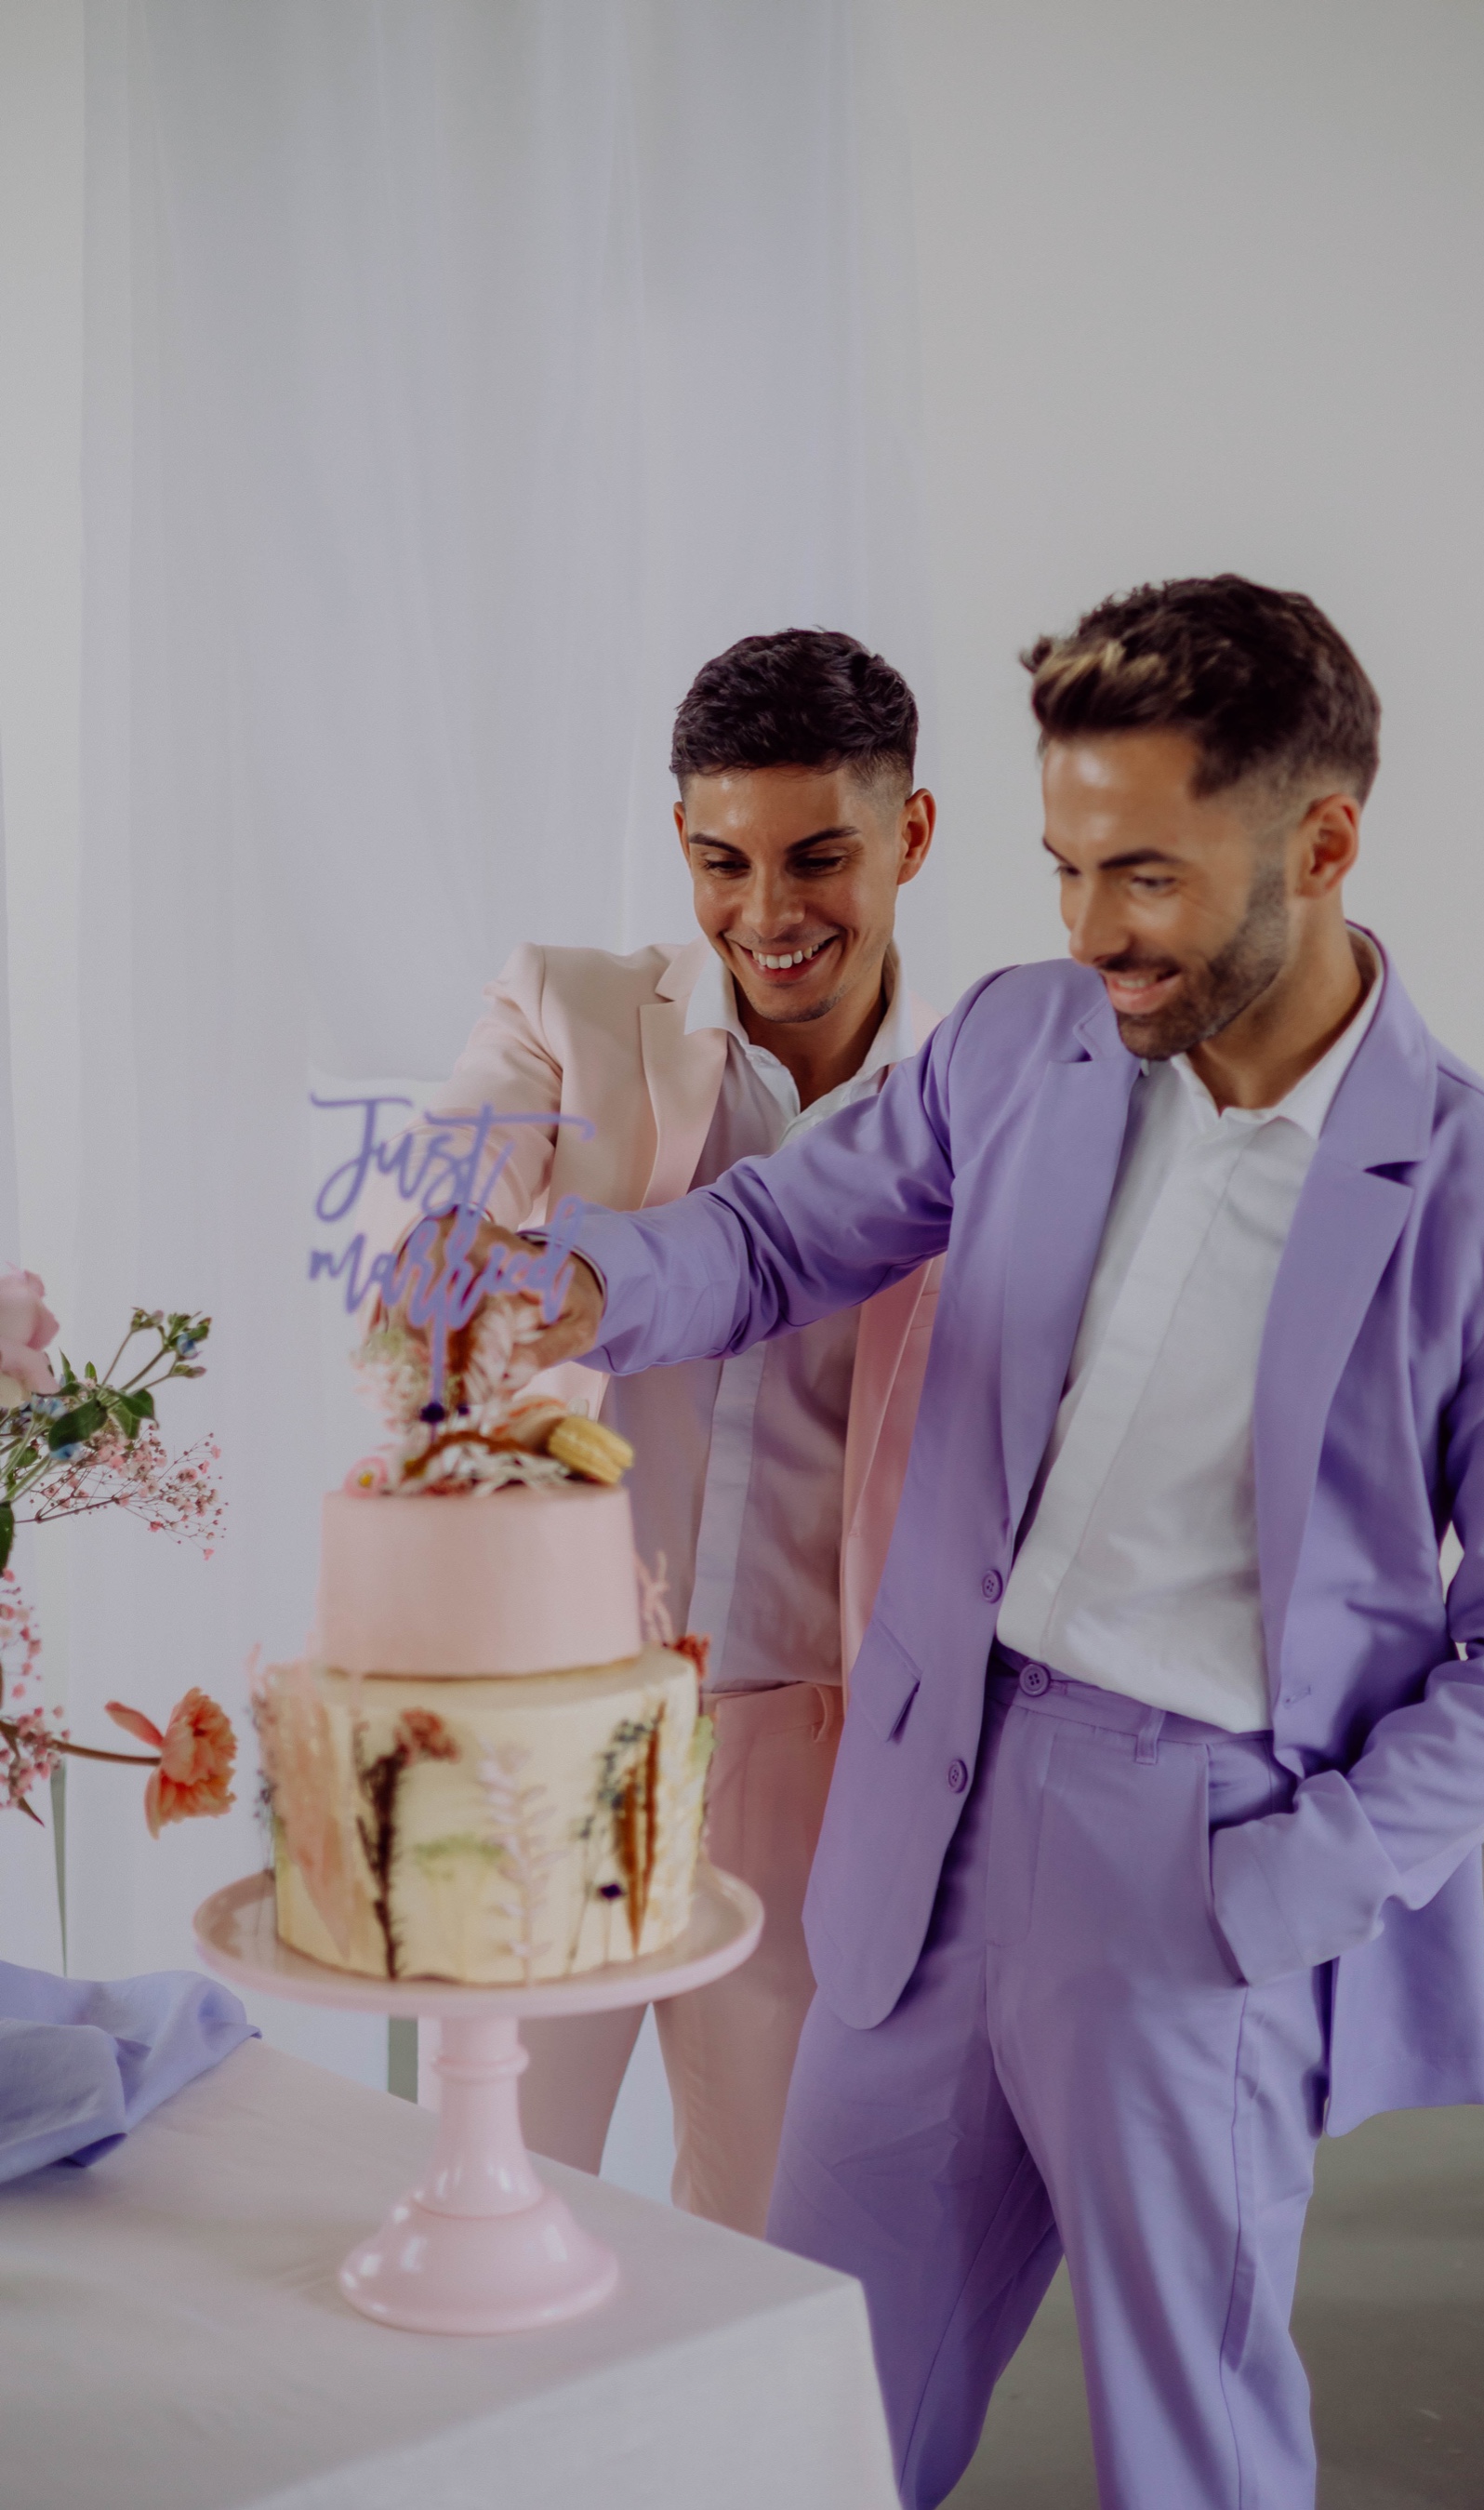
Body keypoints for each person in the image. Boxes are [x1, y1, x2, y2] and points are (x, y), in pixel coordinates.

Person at [521, 577, 1484, 2508]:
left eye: (1145, 878)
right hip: (927, 1800)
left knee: (1182, 2452)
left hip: (1199, 1870)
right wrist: (573, 1282)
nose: (1088, 932)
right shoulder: (1026, 1045)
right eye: (1060, 870)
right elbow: (785, 1238)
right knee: (816, 2423)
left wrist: (1302, 1879)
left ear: (1325, 841)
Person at [379, 627, 938, 2236]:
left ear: (908, 835)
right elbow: (441, 1200)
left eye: (819, 857)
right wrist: (457, 1256)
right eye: (722, 860)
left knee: (763, 2242)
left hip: (810, 1762)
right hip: (557, 1728)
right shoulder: (567, 1011)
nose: (767, 914)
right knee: (491, 2197)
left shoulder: (976, 1106)